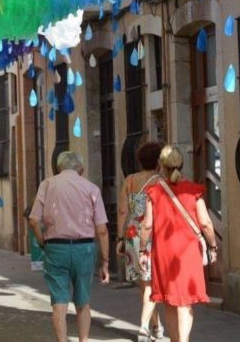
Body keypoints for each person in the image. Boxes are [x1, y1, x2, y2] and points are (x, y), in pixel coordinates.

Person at [28, 151, 110, 342]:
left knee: (59, 302)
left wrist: (42, 242)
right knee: (83, 301)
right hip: (84, 249)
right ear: (81, 169)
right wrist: (105, 261)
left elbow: (33, 220)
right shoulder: (91, 188)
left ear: (58, 168)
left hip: (56, 248)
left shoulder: (47, 185)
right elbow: (102, 229)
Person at [139, 146, 218, 342]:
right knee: (185, 303)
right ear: (181, 165)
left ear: (160, 166)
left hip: (164, 253)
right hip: (188, 252)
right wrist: (213, 246)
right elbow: (206, 223)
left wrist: (142, 250)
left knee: (170, 302)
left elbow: (147, 225)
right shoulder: (193, 190)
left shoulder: (154, 192)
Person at [116, 141, 164, 341]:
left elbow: (122, 211)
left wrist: (119, 237)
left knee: (145, 284)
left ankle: (157, 327)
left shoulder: (130, 180)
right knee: (150, 284)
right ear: (158, 161)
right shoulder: (161, 181)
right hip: (154, 235)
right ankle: (144, 327)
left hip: (133, 234)